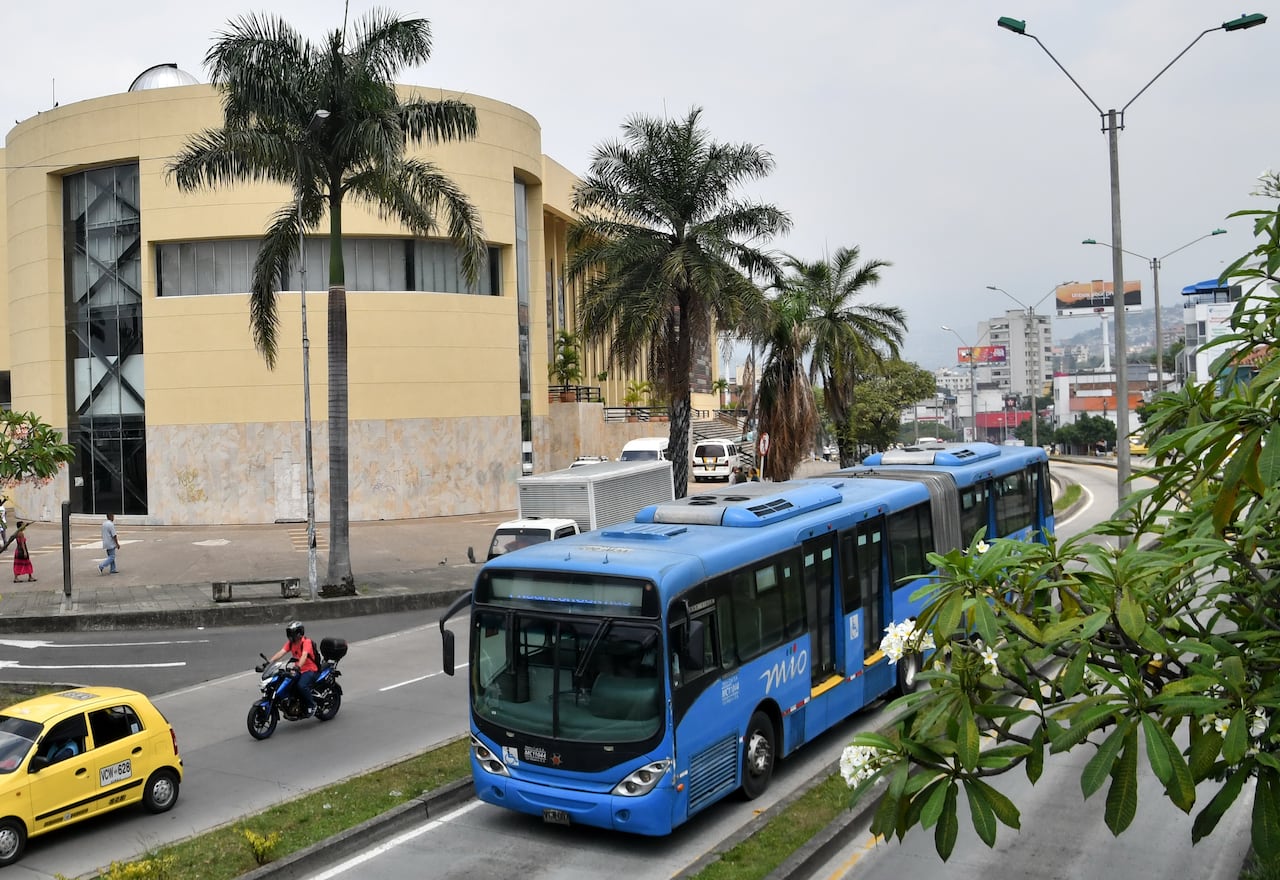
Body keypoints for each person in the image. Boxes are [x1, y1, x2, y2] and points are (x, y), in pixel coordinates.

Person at [268, 620, 320, 717]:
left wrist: (297, 667)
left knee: (301, 685)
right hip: (298, 670)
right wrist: (269, 663)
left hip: (310, 670)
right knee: (286, 682)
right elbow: (281, 652)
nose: (290, 635)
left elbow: (304, 656)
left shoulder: (306, 642)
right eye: (289, 633)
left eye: (292, 633)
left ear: (299, 632)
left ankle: (312, 705)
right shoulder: (291, 643)